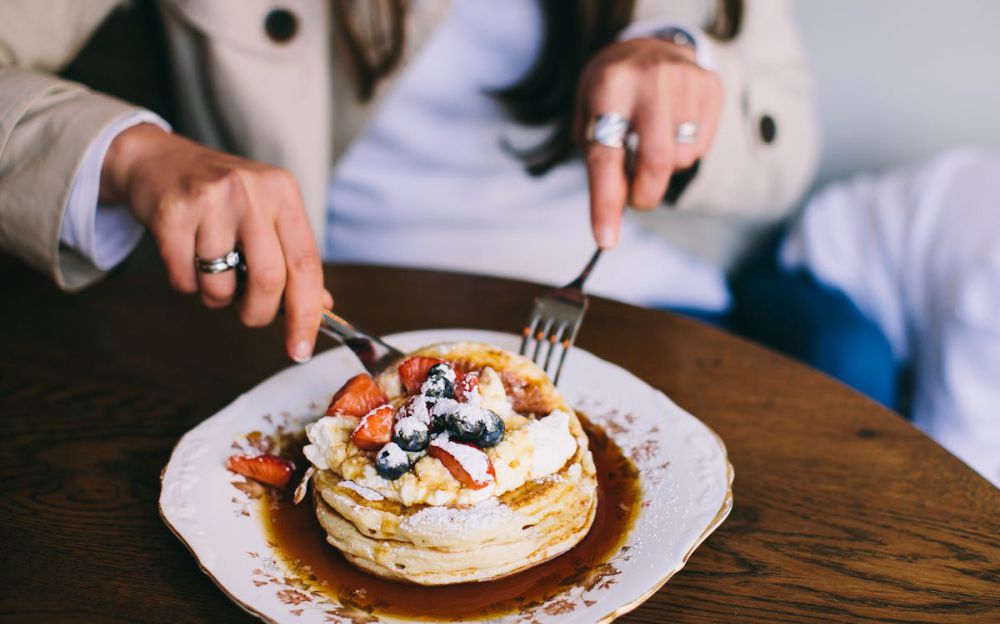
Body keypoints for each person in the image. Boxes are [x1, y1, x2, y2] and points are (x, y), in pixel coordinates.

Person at [0, 0, 818, 363]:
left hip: (624, 301)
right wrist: (132, 153)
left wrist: (680, 57)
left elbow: (786, 157)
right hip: (324, 320)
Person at [774, 149, 1000, 487]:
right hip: (816, 269)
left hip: (918, 316)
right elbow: (959, 466)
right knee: (863, 401)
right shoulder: (991, 279)